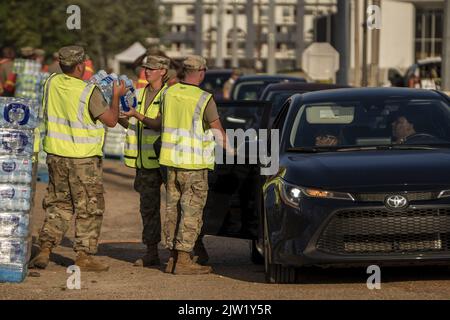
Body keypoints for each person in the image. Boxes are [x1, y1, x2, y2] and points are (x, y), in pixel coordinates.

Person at [30, 45, 127, 272]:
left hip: (55, 156)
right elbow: (111, 120)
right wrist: (115, 96)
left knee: (59, 204)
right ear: (81, 65)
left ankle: (45, 249)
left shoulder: (50, 83)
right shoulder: (87, 91)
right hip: (83, 160)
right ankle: (84, 256)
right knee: (89, 208)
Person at [159, 55, 234, 275]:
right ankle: (183, 260)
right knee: (191, 212)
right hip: (194, 165)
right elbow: (217, 131)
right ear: (201, 72)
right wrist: (233, 152)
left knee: (173, 210)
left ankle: (172, 258)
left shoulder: (168, 93)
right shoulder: (203, 98)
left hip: (171, 162)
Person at [118, 55, 170, 267]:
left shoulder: (169, 95)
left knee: (177, 207)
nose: (146, 71)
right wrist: (116, 107)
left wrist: (136, 115)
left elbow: (159, 124)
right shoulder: (137, 94)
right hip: (145, 163)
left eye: (151, 68)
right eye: (145, 68)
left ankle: (186, 251)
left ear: (163, 71)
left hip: (166, 160)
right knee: (148, 208)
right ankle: (151, 251)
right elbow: (128, 122)